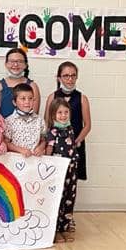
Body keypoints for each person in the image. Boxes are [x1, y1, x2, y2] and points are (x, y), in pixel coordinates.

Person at [42, 62, 91, 183]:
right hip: (55, 147)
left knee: (71, 181)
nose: (70, 79)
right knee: (54, 181)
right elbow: (46, 122)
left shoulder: (82, 98)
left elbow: (87, 125)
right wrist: (48, 144)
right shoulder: (52, 97)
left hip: (74, 145)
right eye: (66, 76)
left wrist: (75, 142)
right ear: (59, 78)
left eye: (73, 75)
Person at [45, 97, 78, 241]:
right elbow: (49, 150)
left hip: (71, 170)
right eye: (59, 113)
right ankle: (55, 230)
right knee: (57, 198)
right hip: (58, 172)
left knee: (69, 198)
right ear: (53, 115)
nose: (63, 115)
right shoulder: (53, 132)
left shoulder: (70, 129)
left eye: (66, 112)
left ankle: (65, 227)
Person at [5, 83, 46, 157]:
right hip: (16, 160)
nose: (27, 102)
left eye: (30, 98)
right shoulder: (9, 121)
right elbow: (6, 142)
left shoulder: (39, 120)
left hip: (34, 159)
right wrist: (20, 150)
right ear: (14, 102)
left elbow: (43, 140)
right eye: (23, 98)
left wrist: (41, 147)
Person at [0, 48, 41, 117]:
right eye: (12, 61)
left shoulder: (33, 86)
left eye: (20, 61)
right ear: (6, 64)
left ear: (25, 65)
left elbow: (34, 115)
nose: (15, 64)